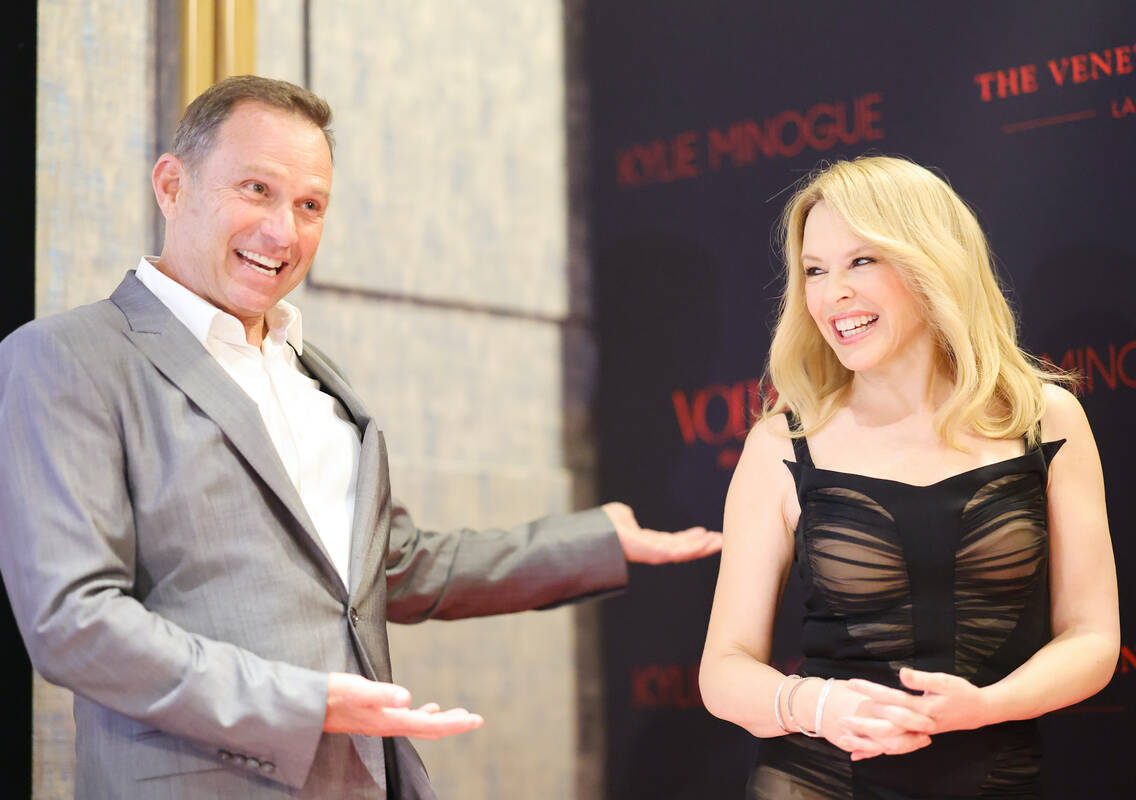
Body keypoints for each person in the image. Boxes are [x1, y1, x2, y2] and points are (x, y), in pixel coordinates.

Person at [0, 75, 721, 800]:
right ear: (171, 185)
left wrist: (596, 543)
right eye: (256, 189)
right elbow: (73, 621)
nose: (283, 231)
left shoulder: (316, 374)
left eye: (310, 205)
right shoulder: (69, 357)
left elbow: (392, 567)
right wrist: (301, 704)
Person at [698, 156, 1118, 798]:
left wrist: (987, 706)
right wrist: (820, 707)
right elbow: (723, 671)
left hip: (997, 776)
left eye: (862, 261)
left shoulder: (1043, 417)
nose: (831, 294)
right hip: (817, 780)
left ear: (932, 263)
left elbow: (1091, 638)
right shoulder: (783, 442)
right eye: (814, 271)